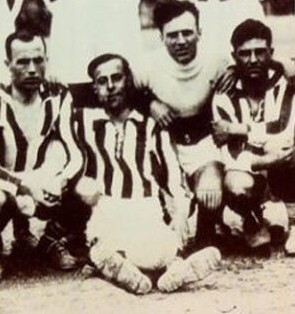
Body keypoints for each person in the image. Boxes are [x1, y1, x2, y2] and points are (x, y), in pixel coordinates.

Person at [78, 53, 221, 295]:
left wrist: (180, 214)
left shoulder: (151, 126)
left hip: (146, 206)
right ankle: (129, 271)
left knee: (161, 243)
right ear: (94, 87)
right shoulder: (85, 122)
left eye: (117, 78)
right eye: (102, 81)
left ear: (129, 81)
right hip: (108, 206)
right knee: (102, 240)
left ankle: (173, 269)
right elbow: (60, 95)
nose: (110, 86)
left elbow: (173, 174)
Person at [0, 30, 86, 280]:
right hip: (5, 182)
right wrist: (25, 187)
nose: (32, 69)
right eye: (23, 62)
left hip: (42, 181)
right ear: (8, 64)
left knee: (87, 188)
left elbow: (76, 151)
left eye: (38, 60)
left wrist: (61, 181)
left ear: (47, 60)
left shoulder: (58, 96)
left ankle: (51, 239)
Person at [134, 0, 230, 249]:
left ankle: (209, 235)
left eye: (187, 33)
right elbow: (126, 93)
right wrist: (150, 104)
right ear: (161, 37)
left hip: (203, 141)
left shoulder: (217, 60)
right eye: (172, 35)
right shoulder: (148, 65)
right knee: (168, 216)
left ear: (199, 32)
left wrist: (283, 65)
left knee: (210, 189)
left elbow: (253, 68)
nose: (181, 41)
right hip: (166, 144)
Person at [210, 19, 295, 255]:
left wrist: (238, 129)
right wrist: (264, 154)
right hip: (252, 169)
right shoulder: (224, 94)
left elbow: (284, 134)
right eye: (245, 53)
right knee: (235, 183)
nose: (253, 59)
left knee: (287, 154)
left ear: (271, 53)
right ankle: (252, 220)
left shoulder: (286, 83)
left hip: (281, 166)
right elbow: (232, 155)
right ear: (234, 56)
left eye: (260, 52)